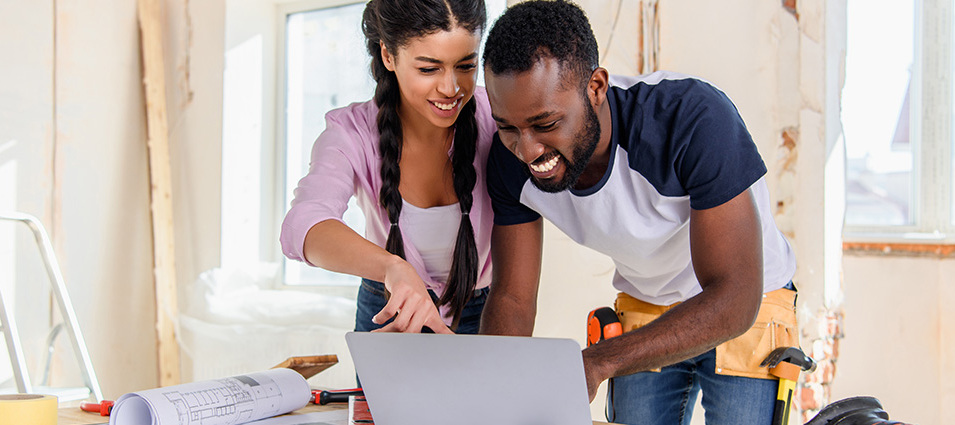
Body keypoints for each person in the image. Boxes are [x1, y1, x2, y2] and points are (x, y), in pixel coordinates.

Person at [479, 1, 799, 424]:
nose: (528, 149)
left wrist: (598, 361)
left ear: (595, 88)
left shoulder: (693, 119)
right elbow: (512, 298)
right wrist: (486, 392)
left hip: (749, 300)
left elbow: (734, 297)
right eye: (507, 126)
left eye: (545, 123)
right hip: (647, 299)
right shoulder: (509, 163)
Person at [280, 0, 496, 335]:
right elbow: (303, 226)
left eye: (466, 66)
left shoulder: (498, 117)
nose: (451, 88)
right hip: (388, 309)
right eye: (429, 69)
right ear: (388, 55)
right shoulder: (349, 132)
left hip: (484, 309)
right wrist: (392, 268)